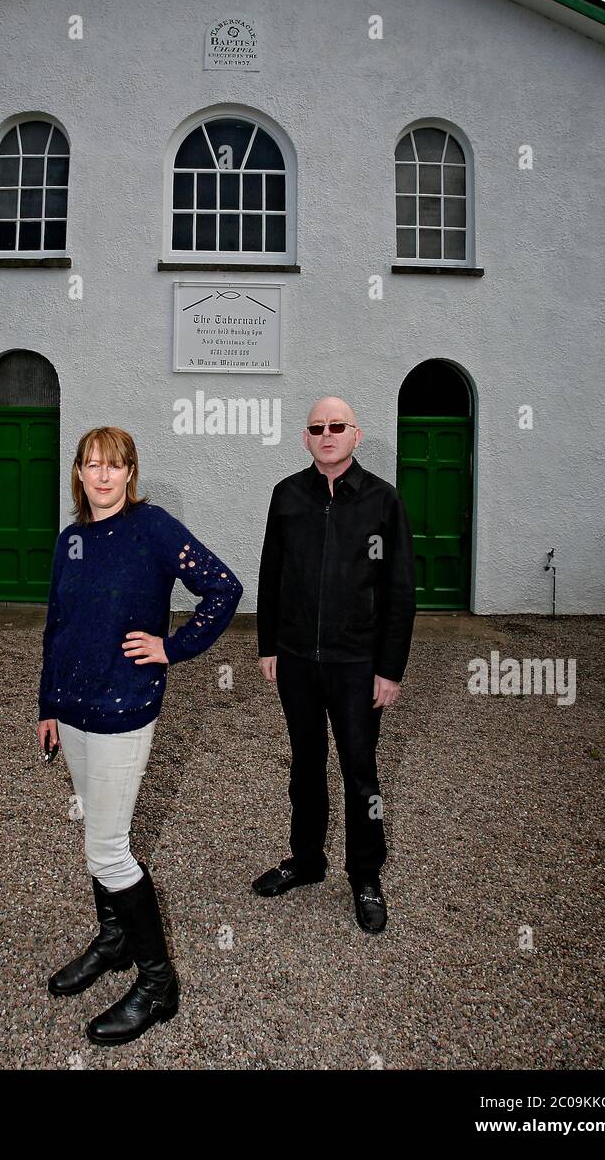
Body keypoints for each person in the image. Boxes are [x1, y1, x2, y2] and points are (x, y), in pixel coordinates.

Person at [38, 426, 242, 1045]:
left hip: (125, 708)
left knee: (107, 848)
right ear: (77, 473)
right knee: (98, 832)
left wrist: (172, 648)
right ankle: (114, 940)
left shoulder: (151, 529)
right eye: (91, 464)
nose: (102, 476)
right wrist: (48, 704)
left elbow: (223, 587)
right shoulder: (70, 541)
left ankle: (158, 985)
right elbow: (58, 623)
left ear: (130, 474)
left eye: (114, 465)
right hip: (71, 711)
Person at [253, 396, 415, 932]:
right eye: (317, 427)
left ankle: (365, 875)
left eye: (337, 426)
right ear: (305, 438)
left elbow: (399, 592)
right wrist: (268, 646)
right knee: (305, 764)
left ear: (355, 435)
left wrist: (389, 670)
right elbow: (270, 573)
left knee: (361, 773)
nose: (327, 434)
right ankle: (306, 860)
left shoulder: (382, 501)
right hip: (298, 659)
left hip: (356, 663)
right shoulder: (287, 495)